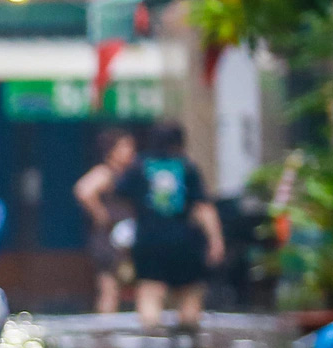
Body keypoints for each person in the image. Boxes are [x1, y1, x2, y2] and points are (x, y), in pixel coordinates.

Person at [115, 122, 224, 331]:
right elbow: (204, 207)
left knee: (150, 293)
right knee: (190, 294)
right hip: (184, 241)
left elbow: (121, 193)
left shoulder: (138, 166)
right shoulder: (187, 167)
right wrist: (216, 241)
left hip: (149, 240)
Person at [73, 128, 139, 314]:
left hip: (130, 237)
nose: (131, 151)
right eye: (125, 146)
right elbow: (83, 190)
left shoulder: (131, 174)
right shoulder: (106, 173)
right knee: (109, 288)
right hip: (109, 239)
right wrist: (101, 215)